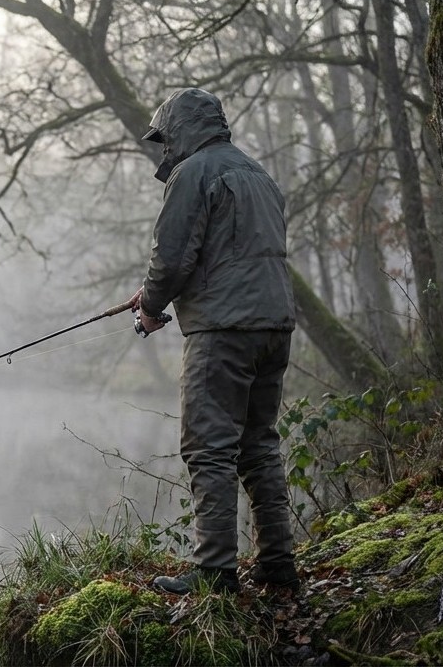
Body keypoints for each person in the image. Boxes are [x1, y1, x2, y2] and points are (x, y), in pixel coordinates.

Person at [126, 88, 300, 595]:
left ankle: (215, 571)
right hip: (275, 326)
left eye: (165, 139)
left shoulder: (193, 173)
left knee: (209, 447)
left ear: (181, 130)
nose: (164, 151)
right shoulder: (258, 175)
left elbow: (173, 256)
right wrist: (158, 294)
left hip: (224, 332)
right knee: (259, 445)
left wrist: (153, 307)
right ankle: (277, 564)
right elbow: (230, 252)